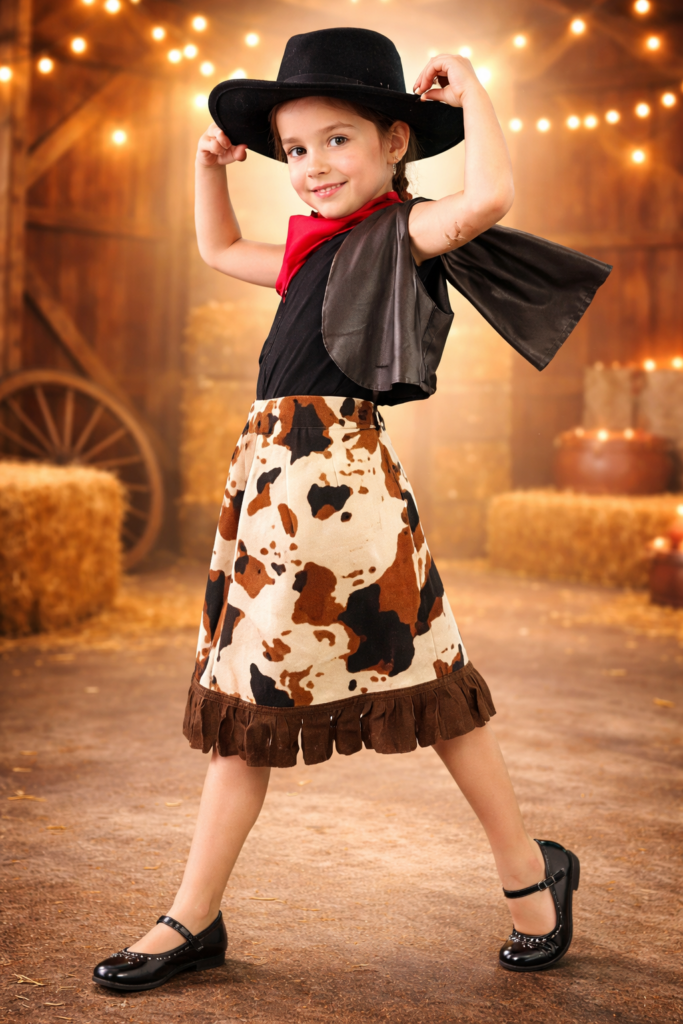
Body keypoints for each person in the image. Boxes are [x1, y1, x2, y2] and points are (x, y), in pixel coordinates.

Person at [93, 27, 609, 992]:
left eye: (337, 140)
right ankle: (192, 917)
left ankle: (529, 876)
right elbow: (216, 247)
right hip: (269, 497)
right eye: (294, 149)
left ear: (394, 143)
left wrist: (474, 88)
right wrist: (206, 166)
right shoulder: (305, 250)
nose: (313, 165)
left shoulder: (402, 232)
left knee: (435, 695)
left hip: (347, 499)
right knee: (251, 699)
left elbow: (490, 198)